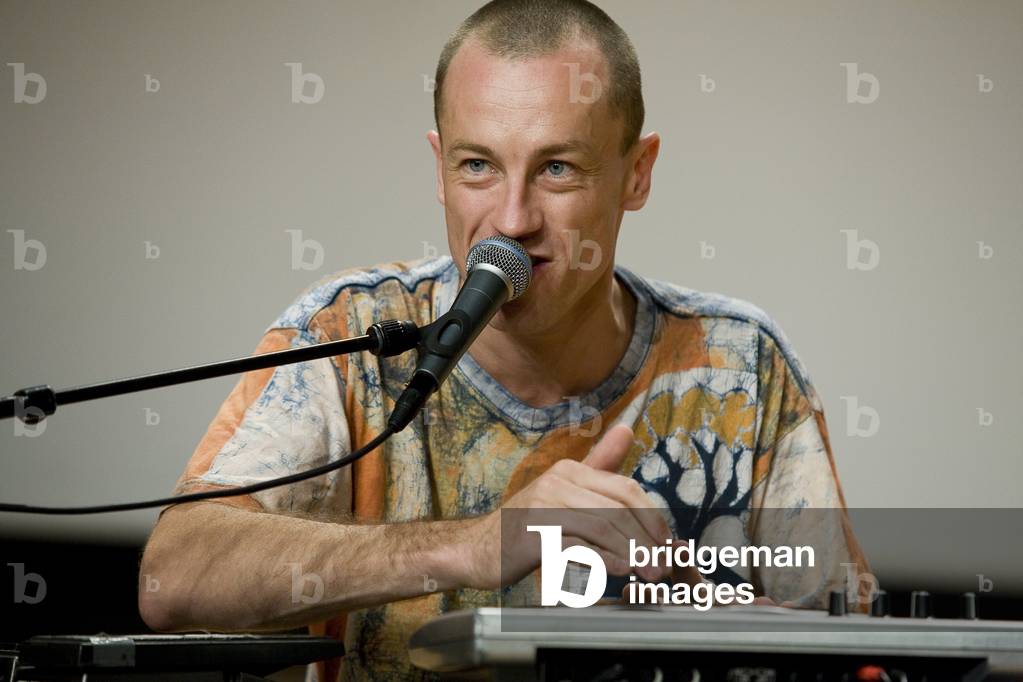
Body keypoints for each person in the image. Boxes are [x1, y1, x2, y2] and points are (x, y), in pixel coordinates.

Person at [138, 1, 871, 680]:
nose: (511, 219)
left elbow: (850, 647)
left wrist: (708, 627)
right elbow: (173, 580)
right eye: (478, 165)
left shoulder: (738, 363)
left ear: (636, 174)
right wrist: (472, 545)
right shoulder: (346, 335)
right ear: (439, 167)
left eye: (557, 167)